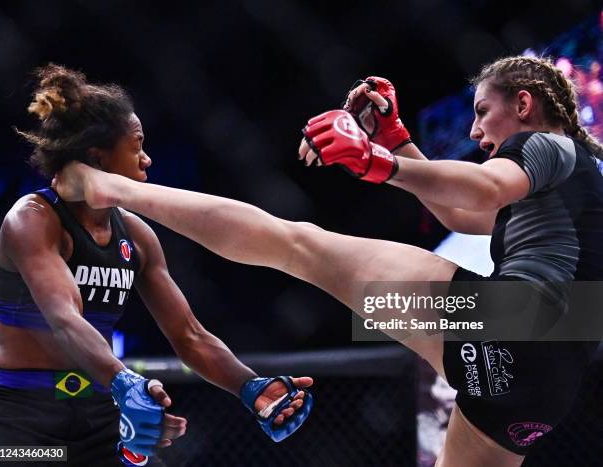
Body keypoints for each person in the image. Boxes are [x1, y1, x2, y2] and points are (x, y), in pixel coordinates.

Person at [54, 56, 603, 466]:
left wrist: (375, 161)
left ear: (526, 103)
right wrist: (397, 142)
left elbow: (482, 190)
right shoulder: (584, 185)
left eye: (484, 112)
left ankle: (112, 189)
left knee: (297, 245)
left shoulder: (546, 147)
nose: (475, 130)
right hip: (548, 384)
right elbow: (465, 215)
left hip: (507, 319)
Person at [0, 64, 313, 467]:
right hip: (23, 420)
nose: (146, 159)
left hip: (100, 413)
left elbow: (190, 335)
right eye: (137, 145)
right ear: (98, 156)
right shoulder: (33, 219)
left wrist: (250, 387)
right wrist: (126, 382)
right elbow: (65, 319)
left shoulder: (137, 236)